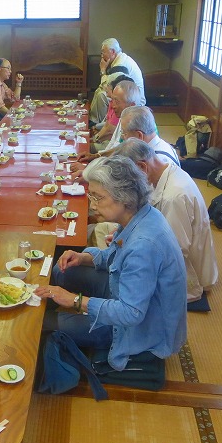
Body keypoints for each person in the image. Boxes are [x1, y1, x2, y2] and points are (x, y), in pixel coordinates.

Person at [34, 156, 187, 371]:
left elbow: (130, 313)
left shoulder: (144, 244)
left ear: (124, 197)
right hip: (127, 294)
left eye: (98, 198)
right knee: (63, 271)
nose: (92, 205)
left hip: (139, 329)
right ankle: (48, 303)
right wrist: (85, 257)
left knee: (45, 322)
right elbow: (116, 257)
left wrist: (75, 301)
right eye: (91, 196)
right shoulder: (140, 215)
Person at [116, 138, 218, 307]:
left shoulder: (174, 196)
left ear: (142, 166)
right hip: (174, 249)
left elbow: (174, 251)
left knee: (123, 283)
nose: (130, 183)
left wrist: (128, 242)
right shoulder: (165, 171)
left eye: (130, 178)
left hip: (188, 274)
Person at [90, 38, 145, 124]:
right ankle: (94, 121)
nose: (102, 55)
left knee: (102, 95)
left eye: (103, 52)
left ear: (112, 51)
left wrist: (103, 70)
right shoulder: (120, 59)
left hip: (134, 101)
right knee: (99, 91)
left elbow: (106, 87)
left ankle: (97, 124)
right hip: (127, 96)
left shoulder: (121, 64)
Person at [90, 75, 133, 152]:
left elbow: (110, 131)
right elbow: (113, 140)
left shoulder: (128, 117)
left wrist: (95, 139)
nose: (113, 105)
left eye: (116, 101)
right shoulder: (121, 112)